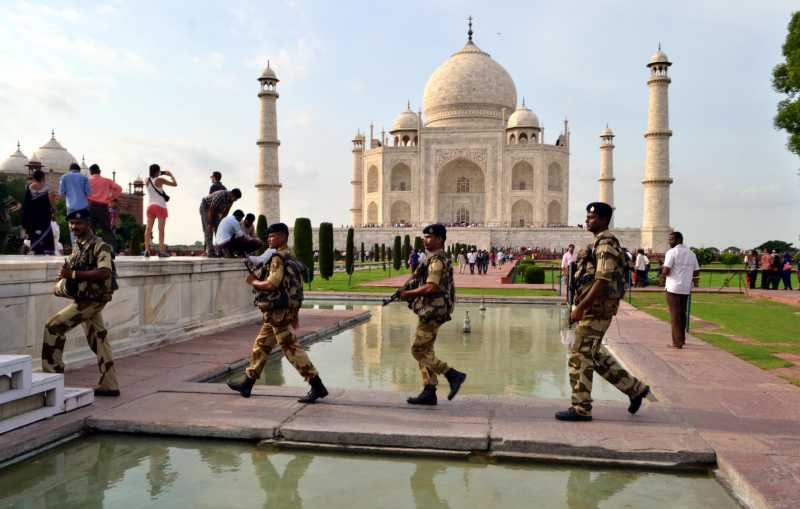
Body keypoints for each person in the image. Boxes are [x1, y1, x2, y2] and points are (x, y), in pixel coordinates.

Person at [555, 202, 650, 422]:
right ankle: (635, 389)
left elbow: (602, 282)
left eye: (592, 217)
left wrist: (581, 307)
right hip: (595, 309)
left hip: (596, 310)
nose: (588, 220)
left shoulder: (606, 244)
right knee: (594, 355)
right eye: (588, 217)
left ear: (604, 220)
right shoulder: (599, 243)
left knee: (579, 354)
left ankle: (581, 407)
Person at [227, 222, 328, 403]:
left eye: (272, 236)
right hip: (279, 312)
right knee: (262, 345)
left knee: (291, 349)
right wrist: (295, 312)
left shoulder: (277, 258)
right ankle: (247, 383)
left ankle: (317, 385)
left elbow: (272, 283)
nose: (269, 239)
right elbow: (295, 287)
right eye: (268, 236)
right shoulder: (290, 256)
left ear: (282, 236)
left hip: (278, 312)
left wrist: (253, 282)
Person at [42, 208, 120, 396]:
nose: (75, 226)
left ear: (88, 224)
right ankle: (110, 384)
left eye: (79, 223)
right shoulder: (79, 245)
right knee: (99, 340)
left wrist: (73, 274)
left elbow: (104, 272)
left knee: (53, 326)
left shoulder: (100, 245)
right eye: (72, 223)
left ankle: (52, 380)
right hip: (86, 298)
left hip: (92, 300)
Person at [397, 224, 466, 405]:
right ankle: (429, 391)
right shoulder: (431, 258)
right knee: (426, 350)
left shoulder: (436, 260)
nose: (425, 240)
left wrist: (409, 294)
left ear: (440, 239)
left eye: (429, 237)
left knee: (418, 350)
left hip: (433, 311)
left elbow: (431, 286)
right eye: (425, 237)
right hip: (432, 309)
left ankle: (453, 374)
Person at [661, 231, 700, 349]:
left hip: (673, 288)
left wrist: (662, 275)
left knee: (675, 316)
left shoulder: (672, 252)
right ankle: (681, 339)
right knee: (682, 314)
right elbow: (697, 270)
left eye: (671, 239)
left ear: (678, 240)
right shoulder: (691, 253)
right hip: (685, 288)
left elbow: (666, 270)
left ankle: (677, 343)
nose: (669, 241)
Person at [144, 164, 177, 257]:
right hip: (160, 206)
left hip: (150, 206)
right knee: (161, 229)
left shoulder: (146, 180)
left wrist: (161, 172)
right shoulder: (160, 180)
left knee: (148, 229)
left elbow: (154, 175)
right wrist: (171, 175)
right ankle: (161, 251)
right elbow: (175, 184)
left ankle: (146, 250)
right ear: (157, 171)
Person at [87, 164, 123, 250]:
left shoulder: (87, 181)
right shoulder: (106, 181)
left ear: (90, 172)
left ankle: (90, 250)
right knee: (106, 229)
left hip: (91, 206)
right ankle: (111, 249)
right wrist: (111, 198)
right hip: (103, 206)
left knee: (91, 229)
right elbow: (119, 189)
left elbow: (84, 193)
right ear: (99, 171)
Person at [199, 188, 241, 257]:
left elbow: (226, 212)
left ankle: (220, 251)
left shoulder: (231, 200)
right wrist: (210, 223)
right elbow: (211, 210)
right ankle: (210, 252)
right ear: (232, 194)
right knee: (209, 229)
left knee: (219, 230)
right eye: (235, 198)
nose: (235, 200)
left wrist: (222, 223)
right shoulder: (220, 195)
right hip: (206, 207)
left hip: (216, 210)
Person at [21, 169, 55, 255]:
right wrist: (55, 210)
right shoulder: (48, 188)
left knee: (34, 235)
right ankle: (47, 252)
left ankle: (36, 251)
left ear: (34, 177)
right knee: (46, 235)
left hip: (32, 218)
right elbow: (51, 202)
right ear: (43, 177)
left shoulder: (29, 187)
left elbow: (26, 204)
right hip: (44, 217)